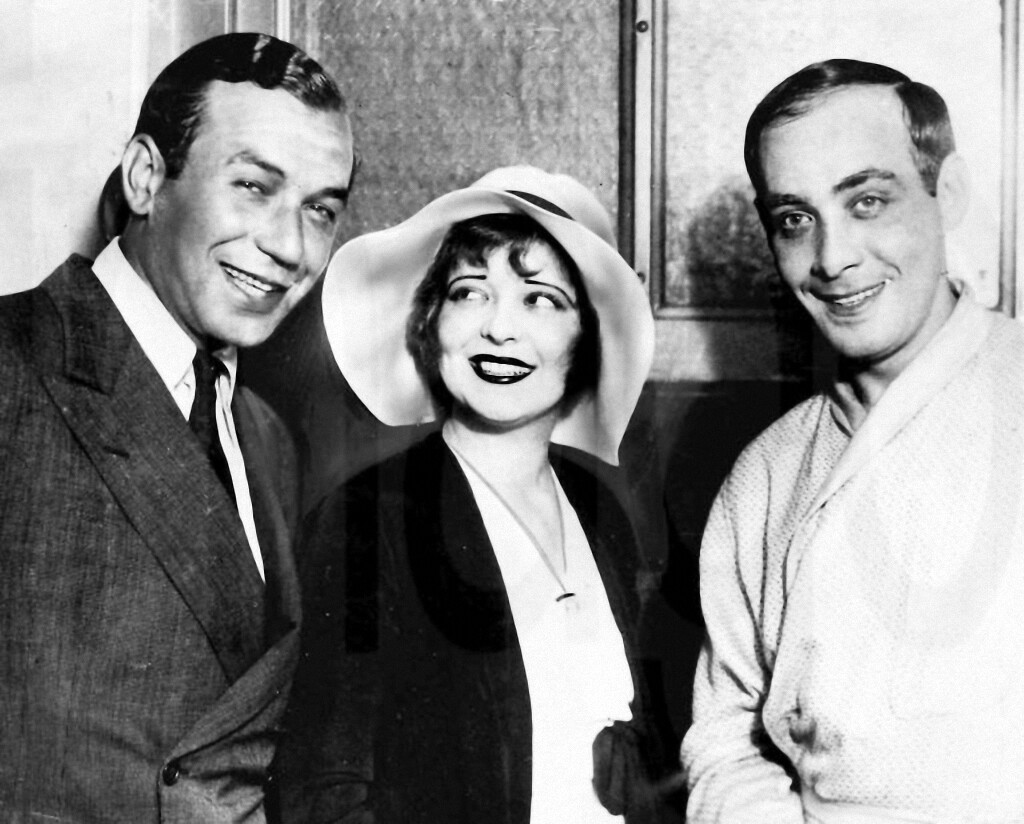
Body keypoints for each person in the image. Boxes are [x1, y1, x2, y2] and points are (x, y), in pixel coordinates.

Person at [0, 33, 355, 821]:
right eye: (254, 186)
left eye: (320, 210)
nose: (290, 246)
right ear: (145, 178)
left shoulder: (266, 437)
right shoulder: (14, 364)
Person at [271, 166, 685, 822]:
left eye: (540, 299)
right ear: (430, 322)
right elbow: (324, 792)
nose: (499, 328)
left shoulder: (598, 506)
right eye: (470, 293)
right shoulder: (367, 518)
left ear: (587, 336)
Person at [682, 58, 1024, 822]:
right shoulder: (764, 475)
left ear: (950, 192)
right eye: (795, 220)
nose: (832, 258)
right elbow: (727, 737)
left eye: (867, 201)